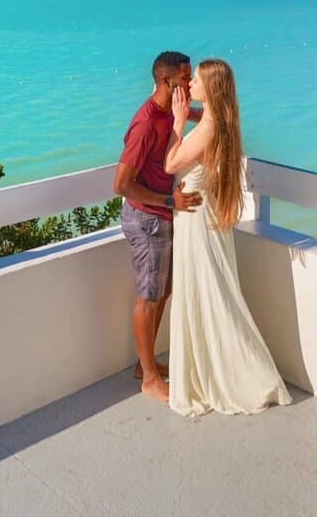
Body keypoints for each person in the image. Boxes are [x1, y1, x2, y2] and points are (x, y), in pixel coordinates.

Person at [165, 58, 292, 416]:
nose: (189, 85)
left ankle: (224, 374)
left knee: (206, 290)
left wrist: (176, 124)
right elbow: (204, 120)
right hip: (205, 214)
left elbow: (171, 164)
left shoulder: (208, 128)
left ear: (211, 88)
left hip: (195, 217)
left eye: (196, 81)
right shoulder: (220, 120)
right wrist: (185, 112)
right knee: (212, 289)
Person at [113, 51, 203, 403]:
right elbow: (121, 184)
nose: (190, 86)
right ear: (167, 82)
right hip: (146, 220)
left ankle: (144, 365)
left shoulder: (170, 112)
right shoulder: (147, 122)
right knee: (149, 298)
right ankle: (149, 378)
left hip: (161, 216)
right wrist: (169, 202)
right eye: (185, 80)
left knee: (162, 292)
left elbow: (207, 115)